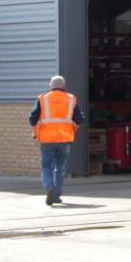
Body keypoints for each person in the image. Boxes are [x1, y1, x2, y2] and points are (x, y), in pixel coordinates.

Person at [29, 75, 84, 205]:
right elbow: (80, 120)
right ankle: (56, 195)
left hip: (47, 139)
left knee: (46, 165)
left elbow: (32, 119)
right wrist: (73, 130)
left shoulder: (42, 98)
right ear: (63, 86)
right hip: (65, 139)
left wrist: (35, 132)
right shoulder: (71, 99)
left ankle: (49, 188)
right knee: (61, 168)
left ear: (51, 85)